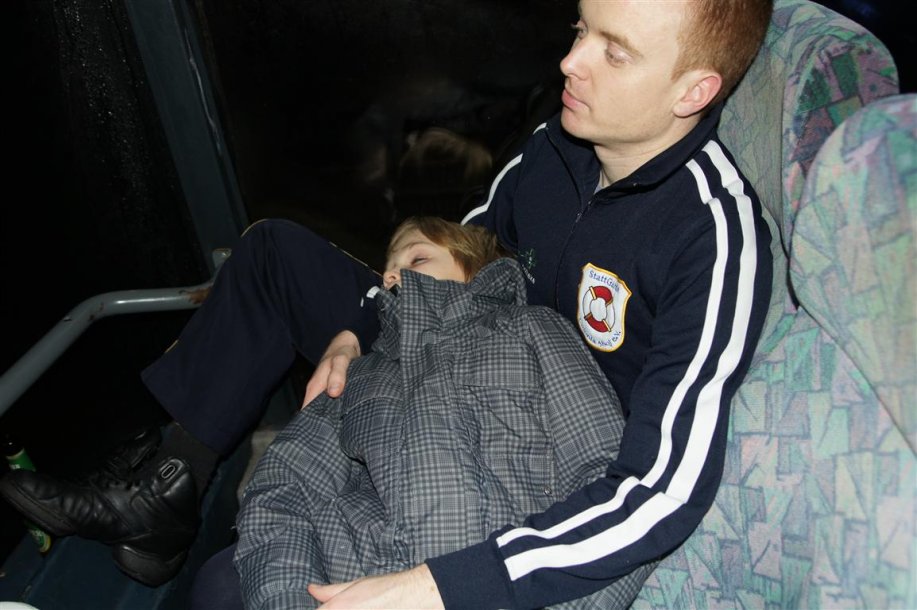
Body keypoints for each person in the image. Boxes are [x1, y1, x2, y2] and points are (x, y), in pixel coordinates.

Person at [0, 0, 774, 607]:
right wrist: (360, 326)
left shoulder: (710, 237)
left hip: (539, 431)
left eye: (614, 51)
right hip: (469, 330)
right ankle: (168, 491)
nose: (570, 61)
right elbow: (467, 242)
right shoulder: (559, 144)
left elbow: (660, 491)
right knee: (273, 253)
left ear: (692, 91)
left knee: (230, 587)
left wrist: (443, 587)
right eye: (581, 29)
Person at [233, 217, 652, 609]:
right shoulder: (358, 375)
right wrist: (290, 600)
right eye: (387, 271)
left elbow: (607, 472)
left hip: (516, 585)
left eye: (417, 258)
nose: (392, 276)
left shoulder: (531, 329)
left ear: (473, 265)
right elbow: (282, 491)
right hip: (364, 582)